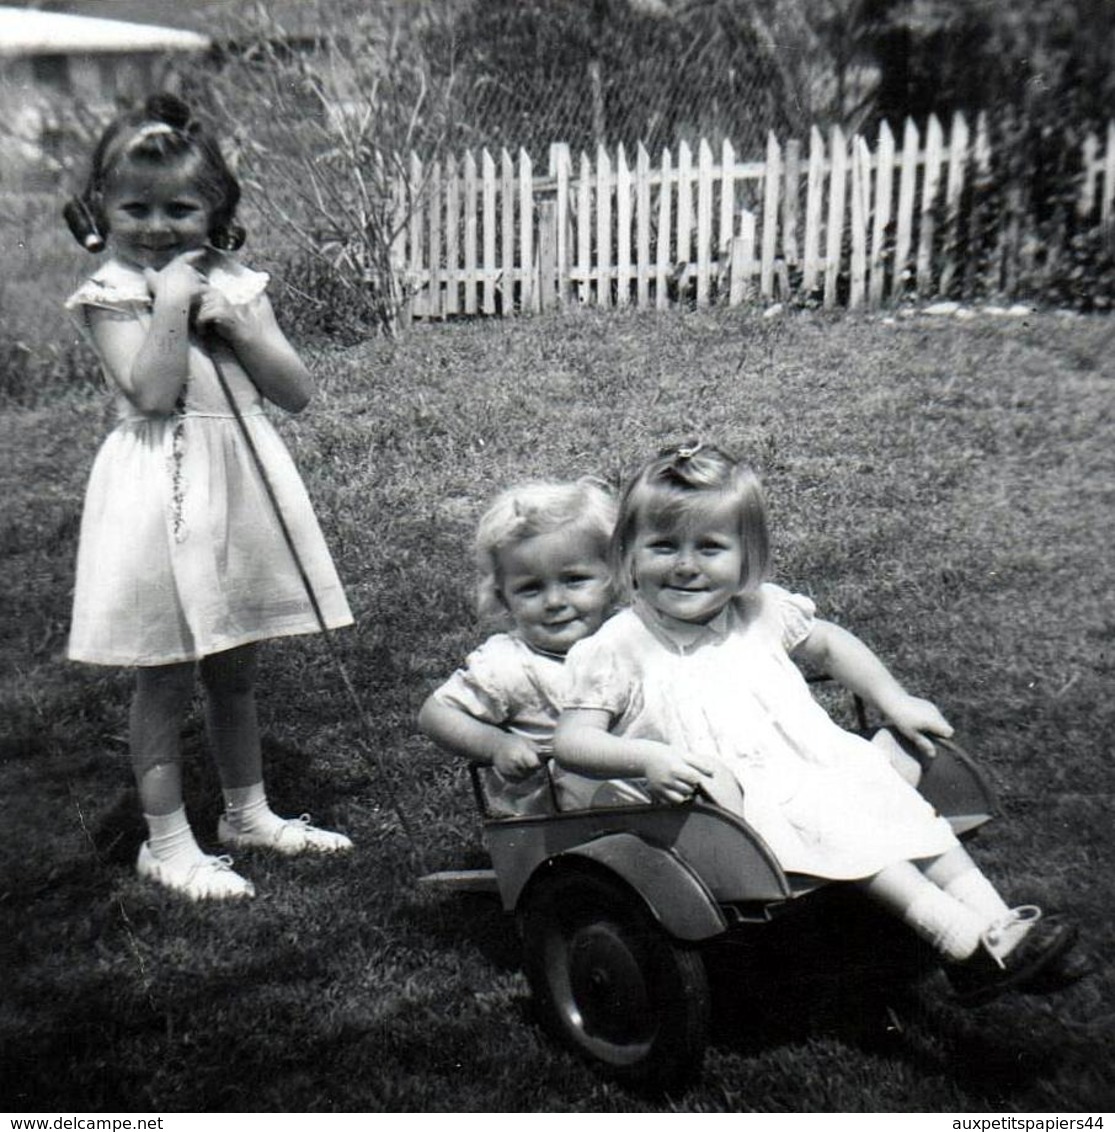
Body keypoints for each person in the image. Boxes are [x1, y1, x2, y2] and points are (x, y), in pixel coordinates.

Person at [554, 442, 1084, 1006]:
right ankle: (960, 945)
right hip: (720, 802)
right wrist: (649, 758)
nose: (685, 565)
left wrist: (894, 699)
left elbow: (829, 646)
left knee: (895, 803)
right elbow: (573, 742)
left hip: (807, 765)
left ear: (746, 557)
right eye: (662, 546)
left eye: (709, 547)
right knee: (841, 826)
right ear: (628, 554)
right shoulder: (618, 647)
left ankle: (1001, 925)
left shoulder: (758, 611)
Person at [63, 93, 354, 901]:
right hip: (163, 489)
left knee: (234, 666)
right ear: (100, 210)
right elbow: (153, 393)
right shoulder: (111, 291)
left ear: (216, 209)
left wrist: (242, 322)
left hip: (239, 478)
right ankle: (165, 842)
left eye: (180, 209)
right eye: (136, 208)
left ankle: (247, 813)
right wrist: (167, 304)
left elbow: (294, 391)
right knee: (165, 672)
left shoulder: (237, 282)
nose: (158, 226)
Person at [418, 478, 635, 815]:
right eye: (531, 589)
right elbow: (436, 715)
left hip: (641, 798)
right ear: (503, 597)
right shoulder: (508, 664)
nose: (554, 601)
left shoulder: (631, 638)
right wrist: (497, 744)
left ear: (613, 577)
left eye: (574, 580)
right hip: (552, 818)